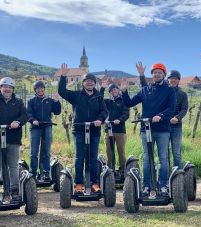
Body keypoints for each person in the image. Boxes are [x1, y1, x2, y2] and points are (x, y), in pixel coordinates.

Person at [121, 62, 176, 196]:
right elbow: (129, 103)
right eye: (155, 72)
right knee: (147, 158)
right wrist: (124, 91)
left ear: (163, 74)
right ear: (151, 75)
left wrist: (160, 116)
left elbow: (171, 108)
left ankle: (163, 185)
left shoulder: (169, 89)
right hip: (147, 129)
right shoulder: (145, 90)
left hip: (162, 129)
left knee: (163, 158)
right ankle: (146, 186)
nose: (157, 74)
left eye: (160, 72)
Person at [58, 64, 108, 193]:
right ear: (84, 83)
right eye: (87, 81)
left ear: (94, 84)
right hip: (79, 130)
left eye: (91, 81)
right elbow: (62, 92)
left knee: (93, 157)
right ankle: (79, 183)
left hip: (94, 131)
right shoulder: (76, 96)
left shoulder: (99, 97)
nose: (89, 83)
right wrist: (63, 76)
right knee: (79, 157)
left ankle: (94, 183)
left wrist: (100, 120)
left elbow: (104, 111)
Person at [138, 65, 188, 169]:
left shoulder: (182, 94)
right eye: (171, 79)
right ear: (167, 79)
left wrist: (177, 118)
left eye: (175, 79)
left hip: (175, 126)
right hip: (163, 125)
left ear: (178, 80)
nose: (173, 81)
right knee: (165, 154)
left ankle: (177, 176)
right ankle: (168, 175)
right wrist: (142, 75)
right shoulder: (164, 90)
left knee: (176, 152)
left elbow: (184, 109)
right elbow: (145, 88)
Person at [27, 80, 61, 180]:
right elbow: (28, 113)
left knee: (46, 151)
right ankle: (33, 173)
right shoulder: (31, 101)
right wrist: (33, 120)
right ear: (35, 90)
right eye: (38, 88)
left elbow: (57, 112)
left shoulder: (49, 100)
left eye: (42, 88)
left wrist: (56, 101)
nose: (40, 90)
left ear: (44, 89)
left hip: (47, 127)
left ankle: (46, 173)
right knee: (34, 152)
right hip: (35, 128)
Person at [100, 79, 130, 177]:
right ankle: (110, 170)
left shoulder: (123, 101)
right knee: (109, 151)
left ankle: (123, 171)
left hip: (120, 130)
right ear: (110, 93)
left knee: (121, 151)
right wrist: (102, 89)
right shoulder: (107, 101)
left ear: (118, 90)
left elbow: (126, 114)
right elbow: (99, 100)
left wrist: (120, 120)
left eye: (115, 90)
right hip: (108, 130)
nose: (113, 91)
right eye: (111, 90)